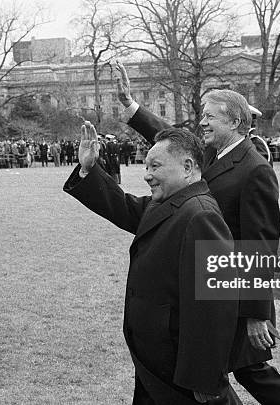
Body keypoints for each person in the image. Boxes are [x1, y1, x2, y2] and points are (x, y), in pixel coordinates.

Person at [114, 61, 280, 405]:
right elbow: (172, 137)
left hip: (235, 292)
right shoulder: (213, 153)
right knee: (238, 372)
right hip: (210, 287)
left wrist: (256, 313)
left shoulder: (254, 169)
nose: (201, 122)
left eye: (209, 117)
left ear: (234, 122)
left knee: (250, 371)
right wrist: (132, 108)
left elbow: (261, 245)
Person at [64, 122, 242, 404]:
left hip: (180, 372)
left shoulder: (200, 216)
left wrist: (205, 377)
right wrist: (89, 169)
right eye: (146, 166)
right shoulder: (170, 202)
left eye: (155, 166)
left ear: (187, 167)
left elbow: (216, 307)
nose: (147, 175)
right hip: (156, 361)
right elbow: (123, 206)